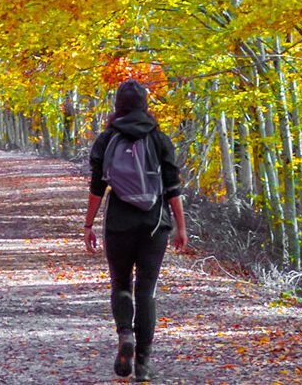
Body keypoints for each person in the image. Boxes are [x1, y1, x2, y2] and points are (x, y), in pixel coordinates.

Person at [83, 78, 187, 382]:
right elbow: (172, 188)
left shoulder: (106, 139)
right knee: (147, 290)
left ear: (118, 106)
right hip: (155, 224)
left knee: (121, 284)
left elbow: (97, 187)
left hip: (118, 222)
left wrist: (88, 225)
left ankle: (125, 333)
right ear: (145, 105)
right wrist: (181, 227)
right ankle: (142, 363)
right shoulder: (159, 139)